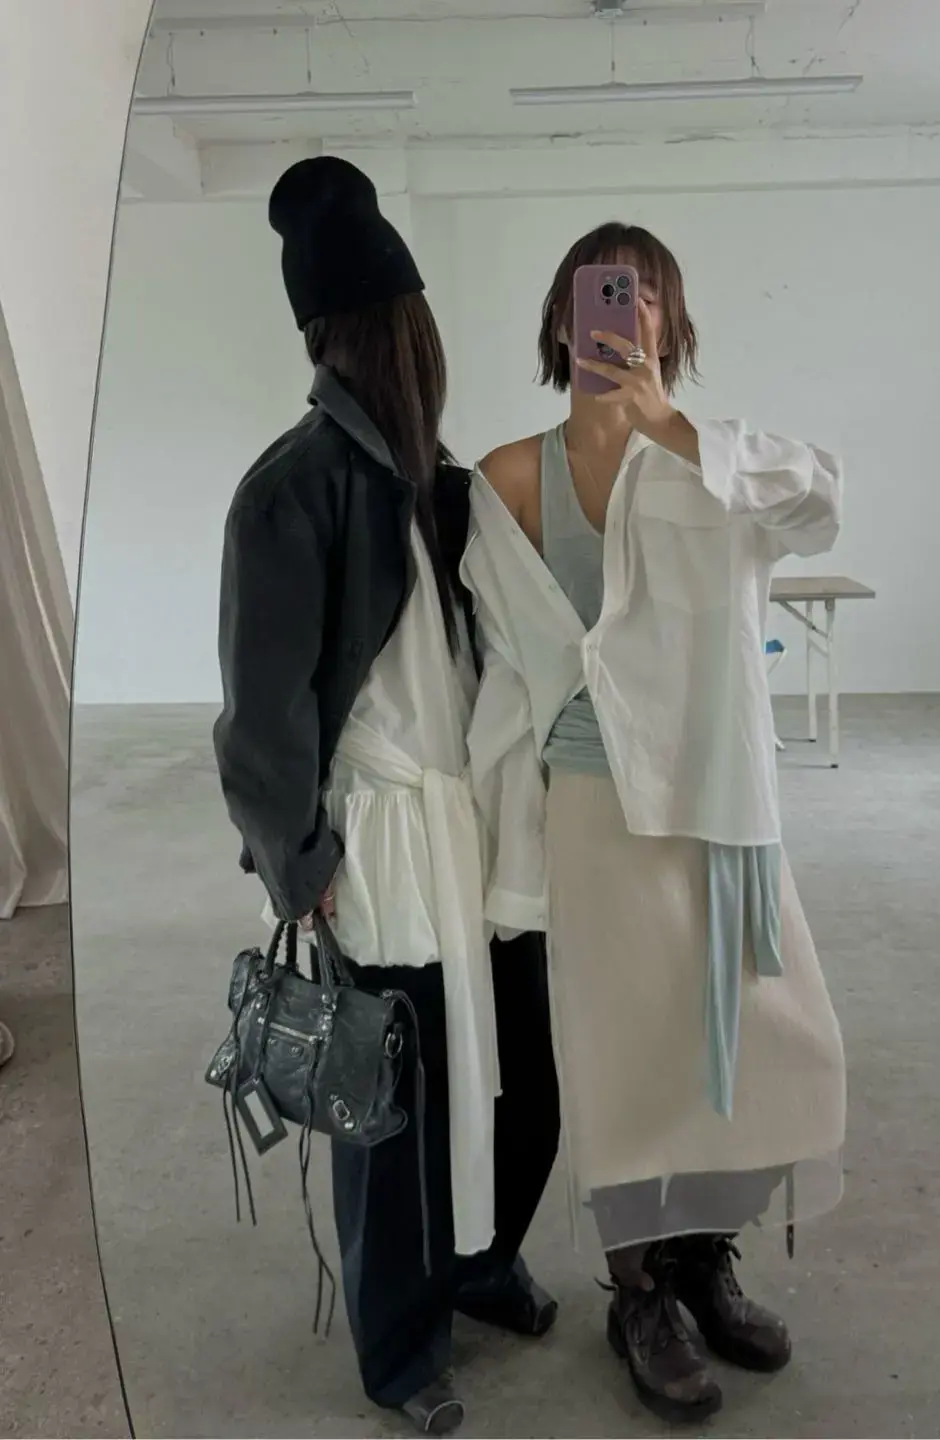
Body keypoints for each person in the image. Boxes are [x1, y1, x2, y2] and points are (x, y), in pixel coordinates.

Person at [464, 222, 847, 1423]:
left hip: (719, 807)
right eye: (604, 296)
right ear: (563, 318)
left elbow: (823, 501)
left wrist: (673, 428)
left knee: (771, 1039)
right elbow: (507, 668)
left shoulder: (717, 463)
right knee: (624, 1058)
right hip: (592, 804)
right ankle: (639, 1294)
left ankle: (700, 1256)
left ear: (672, 322)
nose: (623, 317)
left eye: (644, 299)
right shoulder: (509, 478)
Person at [212, 157, 560, 1438]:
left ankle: (480, 1262)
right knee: (395, 1118)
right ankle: (401, 1347)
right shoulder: (290, 491)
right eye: (406, 328)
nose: (424, 350)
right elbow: (260, 715)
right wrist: (300, 863)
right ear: (365, 339)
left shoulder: (442, 483)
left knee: (514, 1083)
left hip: (477, 831)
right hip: (385, 845)